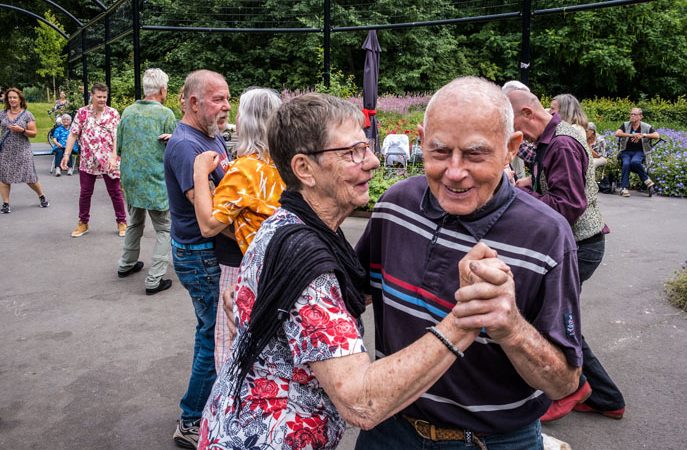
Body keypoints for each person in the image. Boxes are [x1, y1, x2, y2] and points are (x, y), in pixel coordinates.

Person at [198, 91, 526, 450]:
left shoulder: (286, 226)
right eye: (352, 152)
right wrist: (466, 318)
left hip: (231, 423)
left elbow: (325, 301)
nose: (372, 161)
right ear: (304, 169)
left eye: (367, 147)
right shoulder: (308, 262)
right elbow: (362, 403)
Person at [354, 77, 582, 449]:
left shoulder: (548, 236)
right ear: (422, 139)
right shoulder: (395, 206)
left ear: (511, 148)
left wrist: (510, 327)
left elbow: (563, 383)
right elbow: (350, 294)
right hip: (388, 430)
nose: (455, 172)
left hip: (495, 441)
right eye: (440, 152)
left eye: (475, 154)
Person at [507, 88, 625, 422]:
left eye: (511, 123)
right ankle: (607, 399)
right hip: (576, 244)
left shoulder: (561, 143)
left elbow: (568, 204)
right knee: (554, 316)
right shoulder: (554, 136)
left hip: (581, 246)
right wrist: (528, 183)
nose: (511, 133)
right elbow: (555, 185)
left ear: (528, 113)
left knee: (554, 319)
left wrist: (518, 203)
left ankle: (575, 388)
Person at [164, 69, 243, 449]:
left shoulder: (209, 138)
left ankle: (203, 410)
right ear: (193, 102)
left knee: (213, 334)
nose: (227, 105)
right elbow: (206, 214)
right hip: (198, 254)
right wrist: (257, 237)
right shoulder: (186, 147)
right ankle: (191, 420)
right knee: (212, 337)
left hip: (205, 253)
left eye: (228, 98)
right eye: (218, 99)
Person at [192, 87, 284, 372]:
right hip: (282, 266)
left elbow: (209, 226)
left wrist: (199, 171)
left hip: (251, 269)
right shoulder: (286, 162)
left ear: (248, 121)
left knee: (229, 344)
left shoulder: (244, 170)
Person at [116, 68, 177, 295]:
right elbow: (175, 151)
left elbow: (120, 146)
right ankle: (154, 279)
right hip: (155, 180)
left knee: (135, 221)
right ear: (162, 90)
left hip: (131, 179)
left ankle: (127, 264)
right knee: (164, 228)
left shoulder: (128, 112)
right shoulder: (165, 115)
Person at [61, 82, 126, 237]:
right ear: (92, 96)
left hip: (109, 159)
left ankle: (122, 222)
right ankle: (83, 223)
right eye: (99, 97)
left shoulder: (113, 114)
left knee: (115, 192)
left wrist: (114, 156)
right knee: (85, 192)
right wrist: (66, 155)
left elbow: (118, 136)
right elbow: (73, 134)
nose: (102, 100)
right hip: (88, 160)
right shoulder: (83, 113)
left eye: (104, 97)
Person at [0, 87, 50, 213]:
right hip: (5, 150)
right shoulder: (2, 113)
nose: (12, 100)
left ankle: (41, 195)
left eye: (14, 97)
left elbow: (33, 133)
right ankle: (6, 203)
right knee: (4, 177)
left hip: (23, 150)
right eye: (10, 97)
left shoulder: (27, 114)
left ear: (20, 99)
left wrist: (21, 130)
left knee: (29, 176)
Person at [614, 107, 659, 197]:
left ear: (640, 116)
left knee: (635, 162)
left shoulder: (646, 126)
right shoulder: (625, 125)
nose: (632, 116)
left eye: (634, 114)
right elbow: (617, 133)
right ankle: (625, 188)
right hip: (625, 151)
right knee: (626, 163)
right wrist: (631, 135)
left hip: (640, 151)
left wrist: (643, 135)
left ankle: (644, 181)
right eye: (631, 114)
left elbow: (657, 135)